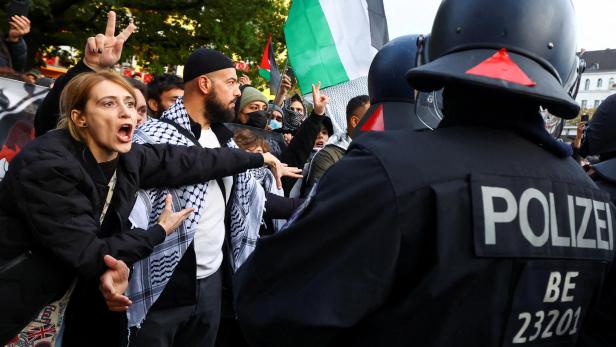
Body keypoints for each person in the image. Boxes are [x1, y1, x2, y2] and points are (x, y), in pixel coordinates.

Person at [233, 0, 615, 346]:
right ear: (569, 70)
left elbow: (267, 304)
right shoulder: (595, 200)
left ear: (435, 52)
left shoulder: (384, 173)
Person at [0, 70, 283, 346]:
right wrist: (158, 232)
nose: (127, 113)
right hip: (20, 299)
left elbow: (194, 161)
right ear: (80, 118)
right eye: (109, 103)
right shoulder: (49, 165)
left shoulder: (129, 158)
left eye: (130, 104)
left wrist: (258, 159)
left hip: (67, 300)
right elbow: (92, 254)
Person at [125, 47, 301, 347]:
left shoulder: (225, 140)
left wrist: (311, 206)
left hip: (211, 285)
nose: (237, 91)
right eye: (231, 82)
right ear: (204, 85)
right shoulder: (153, 137)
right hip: (163, 288)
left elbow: (254, 201)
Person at [304, 94, 369, 193]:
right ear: (355, 122)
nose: (382, 124)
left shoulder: (384, 152)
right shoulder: (327, 157)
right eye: (375, 118)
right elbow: (320, 201)